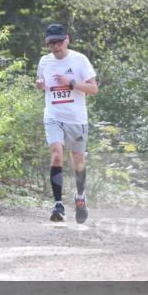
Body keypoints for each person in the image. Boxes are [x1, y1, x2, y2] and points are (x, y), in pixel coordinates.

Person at [35, 23, 98, 223]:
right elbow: (41, 84)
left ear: (67, 39)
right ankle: (58, 205)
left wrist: (70, 82)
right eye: (51, 43)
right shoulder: (44, 62)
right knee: (56, 155)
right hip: (53, 116)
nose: (56, 47)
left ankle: (80, 197)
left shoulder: (80, 60)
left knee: (78, 161)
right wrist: (40, 86)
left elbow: (93, 89)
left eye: (59, 42)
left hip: (76, 119)